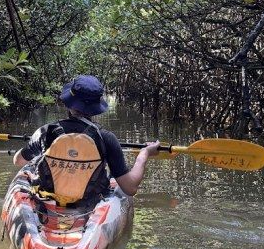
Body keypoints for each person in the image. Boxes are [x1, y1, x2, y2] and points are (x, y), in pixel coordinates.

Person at [12, 75, 160, 199]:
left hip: (48, 199)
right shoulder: (107, 138)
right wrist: (144, 154)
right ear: (96, 107)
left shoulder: (44, 132)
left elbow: (18, 160)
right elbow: (130, 188)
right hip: (89, 201)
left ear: (69, 102)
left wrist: (35, 147)